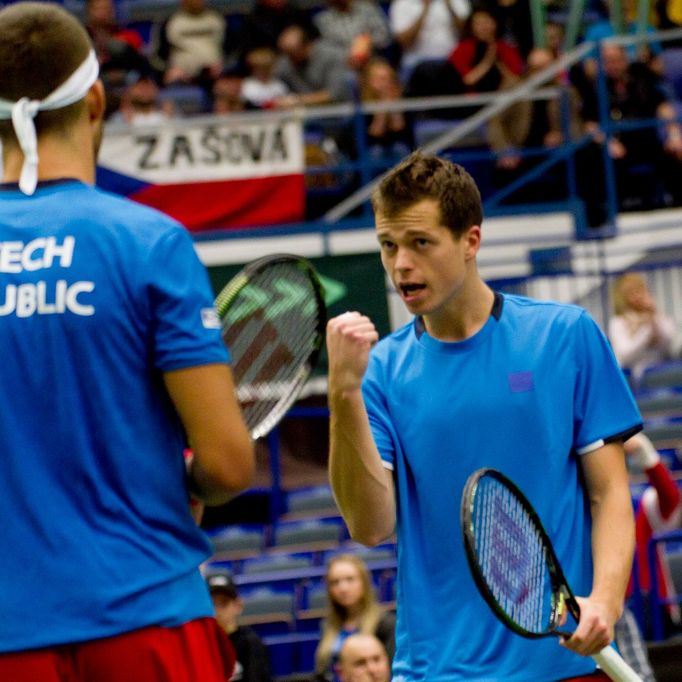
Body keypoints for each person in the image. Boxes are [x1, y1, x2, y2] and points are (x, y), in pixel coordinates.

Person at [0, 3, 255, 681]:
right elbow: (228, 466)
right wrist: (190, 478)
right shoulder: (148, 241)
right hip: (146, 619)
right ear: (95, 99)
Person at [326, 151, 642, 680]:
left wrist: (604, 602)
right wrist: (342, 395)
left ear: (471, 241)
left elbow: (608, 492)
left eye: (420, 243)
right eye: (388, 245)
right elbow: (370, 525)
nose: (400, 263)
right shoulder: (379, 372)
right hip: (438, 668)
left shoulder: (565, 337)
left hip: (563, 664)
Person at [313, 554, 395, 682]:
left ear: (364, 583)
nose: (343, 588)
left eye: (350, 579)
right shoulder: (327, 626)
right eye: (335, 582)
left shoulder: (385, 623)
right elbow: (322, 672)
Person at [608, 272, 677, 382]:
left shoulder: (655, 317)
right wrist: (645, 330)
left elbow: (667, 345)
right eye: (632, 292)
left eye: (640, 290)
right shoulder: (618, 322)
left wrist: (653, 316)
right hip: (633, 376)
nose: (638, 296)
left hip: (660, 369)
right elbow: (625, 355)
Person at [207, 571, 274, 682]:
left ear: (238, 605)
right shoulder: (200, 645)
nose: (217, 611)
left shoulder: (251, 643)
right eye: (212, 604)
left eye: (223, 604)